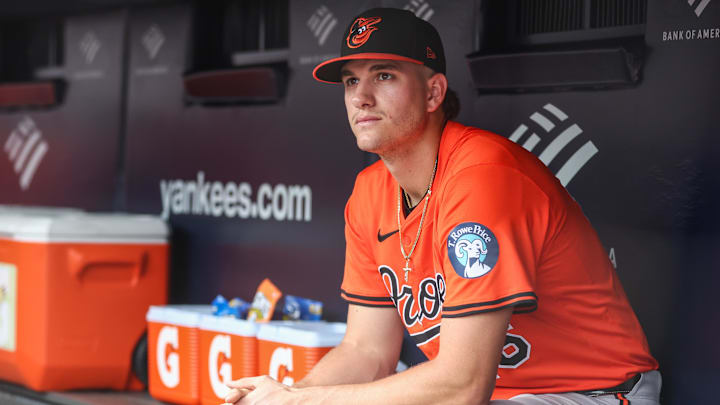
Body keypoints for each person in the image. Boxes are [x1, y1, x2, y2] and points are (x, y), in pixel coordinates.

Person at [223, 7, 661, 405]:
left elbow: (462, 385)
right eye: (352, 80)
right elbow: (367, 352)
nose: (361, 97)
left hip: (591, 392)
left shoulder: (483, 176)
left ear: (433, 94)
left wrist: (300, 403)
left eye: (384, 76)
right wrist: (282, 397)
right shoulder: (369, 192)